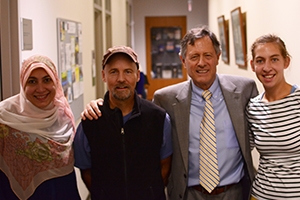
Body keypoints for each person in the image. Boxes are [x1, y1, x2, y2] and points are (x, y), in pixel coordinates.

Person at [82, 26, 258, 200]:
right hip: (188, 193)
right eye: (194, 57)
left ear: (218, 57)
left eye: (208, 56)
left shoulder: (244, 90)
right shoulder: (165, 99)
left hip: (235, 191)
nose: (201, 63)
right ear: (183, 60)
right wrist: (99, 104)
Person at [73, 46, 172, 200]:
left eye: (127, 71)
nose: (121, 79)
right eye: (113, 72)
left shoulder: (158, 118)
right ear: (103, 76)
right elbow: (86, 171)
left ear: (138, 76)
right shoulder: (90, 122)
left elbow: (165, 166)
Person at [0, 55, 80, 200]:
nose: (41, 88)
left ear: (55, 82)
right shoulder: (4, 120)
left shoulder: (64, 116)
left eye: (47, 79)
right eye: (32, 81)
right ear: (23, 84)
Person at [246, 34, 300, 200]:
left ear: (286, 61)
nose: (267, 67)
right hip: (261, 195)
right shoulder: (253, 108)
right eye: (260, 61)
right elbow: (241, 150)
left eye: (274, 59)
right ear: (252, 65)